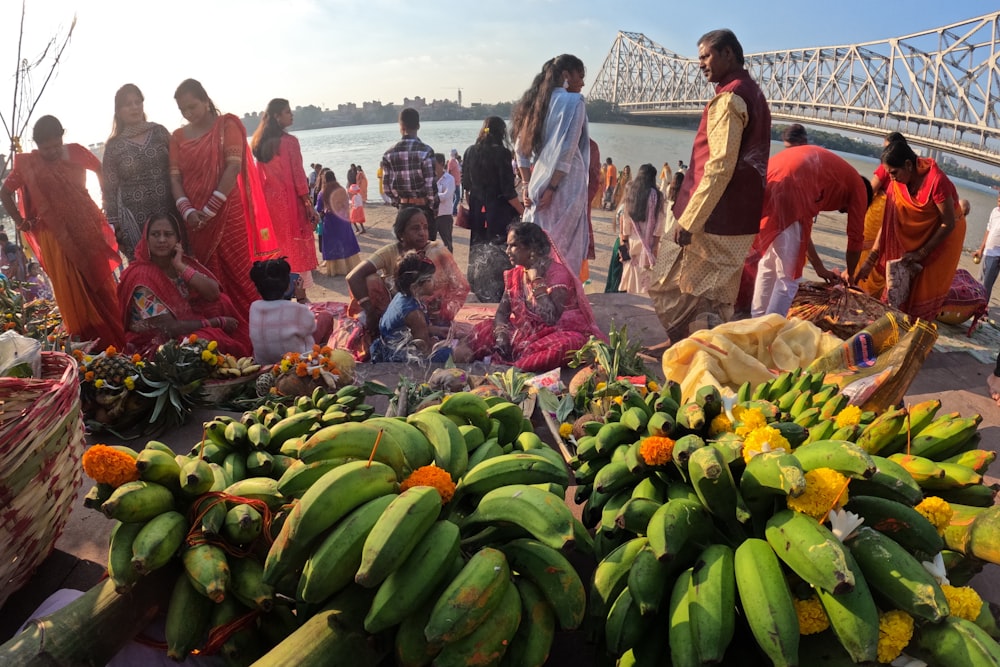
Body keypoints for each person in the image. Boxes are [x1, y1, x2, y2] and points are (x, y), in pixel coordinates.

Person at [649, 29, 771, 342]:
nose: (701, 63)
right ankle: (695, 350)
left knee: (670, 282)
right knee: (714, 295)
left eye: (706, 56)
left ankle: (681, 347)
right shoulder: (752, 92)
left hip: (712, 218)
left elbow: (718, 166)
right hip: (736, 219)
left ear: (728, 53)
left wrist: (690, 219)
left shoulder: (730, 98)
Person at [0, 115, 124, 347]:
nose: (53, 152)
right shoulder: (28, 164)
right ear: (37, 146)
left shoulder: (75, 152)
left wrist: (106, 201)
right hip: (55, 238)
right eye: (47, 149)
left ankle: (116, 335)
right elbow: (5, 192)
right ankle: (88, 342)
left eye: (57, 145)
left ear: (62, 138)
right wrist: (20, 221)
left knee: (100, 283)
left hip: (85, 228)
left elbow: (100, 168)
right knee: (73, 291)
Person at [169, 78, 276, 318]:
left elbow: (232, 168)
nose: (188, 113)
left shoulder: (227, 125)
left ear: (206, 101)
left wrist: (209, 210)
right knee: (207, 276)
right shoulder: (176, 137)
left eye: (192, 106)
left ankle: (254, 324)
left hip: (227, 211)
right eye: (182, 110)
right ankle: (220, 328)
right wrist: (188, 212)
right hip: (194, 220)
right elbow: (175, 179)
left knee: (239, 272)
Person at [749, 145, 872, 317]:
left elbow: (802, 230)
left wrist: (819, 267)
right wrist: (851, 275)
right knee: (789, 278)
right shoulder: (860, 188)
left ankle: (756, 320)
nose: (842, 212)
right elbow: (855, 239)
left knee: (769, 263)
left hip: (772, 176)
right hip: (792, 186)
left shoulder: (831, 180)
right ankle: (768, 330)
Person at [465, 222, 603, 372]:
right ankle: (507, 359)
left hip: (553, 333)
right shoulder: (516, 274)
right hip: (524, 332)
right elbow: (502, 312)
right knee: (483, 329)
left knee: (571, 344)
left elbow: (550, 318)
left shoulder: (558, 274)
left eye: (513, 246)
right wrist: (501, 334)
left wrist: (537, 281)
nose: (507, 251)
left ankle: (513, 368)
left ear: (532, 248)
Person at [855, 140, 966, 321]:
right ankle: (892, 326)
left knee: (921, 291)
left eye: (893, 173)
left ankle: (913, 330)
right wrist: (870, 260)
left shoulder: (936, 182)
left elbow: (948, 224)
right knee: (897, 286)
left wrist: (921, 253)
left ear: (908, 164)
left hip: (943, 240)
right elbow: (889, 224)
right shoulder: (897, 183)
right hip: (914, 237)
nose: (890, 178)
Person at [117, 212, 250, 358]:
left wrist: (180, 266)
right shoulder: (141, 277)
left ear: (177, 239)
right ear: (146, 240)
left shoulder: (179, 263)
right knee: (206, 339)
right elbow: (170, 329)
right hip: (154, 344)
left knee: (221, 303)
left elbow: (214, 293)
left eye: (168, 234)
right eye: (155, 234)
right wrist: (217, 322)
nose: (162, 240)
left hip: (183, 326)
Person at [511, 54, 591, 277]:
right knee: (565, 248)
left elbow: (520, 150)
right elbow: (567, 150)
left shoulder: (537, 102)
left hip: (537, 183)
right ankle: (562, 296)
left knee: (539, 243)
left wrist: (527, 184)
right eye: (580, 77)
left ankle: (535, 293)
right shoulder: (575, 102)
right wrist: (554, 187)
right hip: (566, 184)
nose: (582, 83)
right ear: (566, 75)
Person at [347, 207, 468, 337]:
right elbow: (353, 276)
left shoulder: (437, 251)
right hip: (400, 311)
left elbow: (461, 286)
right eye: (415, 228)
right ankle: (381, 326)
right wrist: (369, 310)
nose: (422, 233)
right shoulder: (390, 251)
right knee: (371, 281)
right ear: (401, 234)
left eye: (425, 227)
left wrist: (443, 315)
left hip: (435, 314)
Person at [251, 98, 320, 288]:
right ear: (276, 116)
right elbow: (299, 176)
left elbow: (257, 178)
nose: (292, 114)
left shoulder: (259, 142)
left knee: (276, 248)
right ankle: (299, 292)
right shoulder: (290, 142)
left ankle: (278, 289)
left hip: (269, 204)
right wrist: (309, 205)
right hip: (290, 204)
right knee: (294, 248)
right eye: (288, 112)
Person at [102, 83, 173, 261]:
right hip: (134, 220)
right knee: (146, 270)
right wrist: (116, 228)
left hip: (168, 211)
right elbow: (109, 191)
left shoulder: (160, 132)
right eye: (128, 104)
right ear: (118, 111)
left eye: (137, 102)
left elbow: (178, 169)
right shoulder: (113, 147)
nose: (134, 107)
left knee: (175, 264)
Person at [461, 116, 523, 302]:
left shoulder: (469, 151)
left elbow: (466, 185)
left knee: (478, 246)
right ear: (501, 132)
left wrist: (474, 206)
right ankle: (500, 289)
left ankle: (478, 284)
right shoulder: (502, 153)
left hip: (477, 210)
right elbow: (508, 191)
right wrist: (523, 212)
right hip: (499, 211)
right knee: (501, 250)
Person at [370, 251, 473, 363]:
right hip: (399, 356)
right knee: (465, 354)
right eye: (429, 280)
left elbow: (410, 330)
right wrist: (455, 347)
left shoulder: (403, 295)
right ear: (415, 286)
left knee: (445, 326)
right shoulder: (414, 314)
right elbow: (425, 350)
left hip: (392, 344)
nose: (435, 282)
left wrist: (436, 330)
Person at [248, 257, 333, 364]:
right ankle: (318, 359)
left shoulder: (254, 307)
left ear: (257, 289)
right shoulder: (297, 309)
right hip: (296, 363)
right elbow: (310, 328)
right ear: (288, 286)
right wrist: (301, 299)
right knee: (326, 317)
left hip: (264, 363)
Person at [857, 132, 907, 297]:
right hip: (894, 214)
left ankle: (859, 289)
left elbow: (870, 190)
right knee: (881, 254)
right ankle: (873, 293)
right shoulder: (904, 171)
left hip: (880, 212)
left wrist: (858, 210)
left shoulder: (887, 165)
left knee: (866, 250)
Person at [381, 108, 439, 240]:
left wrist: (399, 202)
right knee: (426, 254)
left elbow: (387, 189)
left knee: (405, 254)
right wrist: (433, 207)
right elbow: (431, 186)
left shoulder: (389, 154)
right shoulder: (426, 151)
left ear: (401, 127)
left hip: (403, 208)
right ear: (418, 125)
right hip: (424, 209)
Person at [619, 163, 665, 295]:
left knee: (632, 276)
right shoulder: (657, 195)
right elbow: (659, 222)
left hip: (633, 241)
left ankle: (632, 299)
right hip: (649, 242)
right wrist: (655, 245)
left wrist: (624, 241)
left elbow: (626, 218)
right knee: (646, 278)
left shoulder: (632, 192)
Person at [317, 170, 361, 276]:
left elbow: (319, 208)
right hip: (343, 219)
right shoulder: (341, 189)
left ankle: (335, 269)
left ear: (325, 180)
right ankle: (350, 266)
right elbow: (347, 203)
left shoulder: (323, 192)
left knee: (332, 242)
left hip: (330, 220)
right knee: (346, 240)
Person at [973, 193, 1000, 303]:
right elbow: (988, 230)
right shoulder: (995, 211)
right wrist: (981, 249)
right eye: (999, 200)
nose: (999, 203)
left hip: (997, 255)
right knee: (979, 280)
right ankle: (975, 304)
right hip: (987, 251)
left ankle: (983, 308)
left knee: (987, 283)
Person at [433, 153, 455, 253]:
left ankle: (450, 266)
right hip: (432, 215)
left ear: (441, 163)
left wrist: (432, 197)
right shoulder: (430, 178)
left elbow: (446, 195)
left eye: (435, 163)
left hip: (444, 216)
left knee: (447, 244)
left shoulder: (449, 179)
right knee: (429, 243)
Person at [447, 149, 462, 215]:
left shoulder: (455, 161)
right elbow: (449, 172)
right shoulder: (451, 161)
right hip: (454, 182)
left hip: (457, 181)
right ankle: (453, 209)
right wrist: (450, 181)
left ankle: (454, 210)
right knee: (457, 197)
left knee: (454, 197)